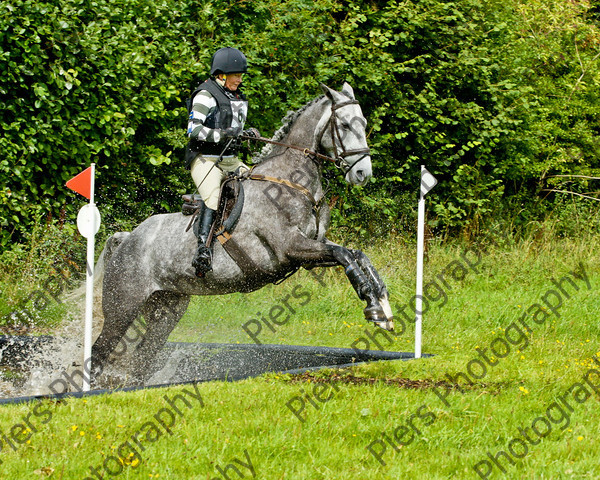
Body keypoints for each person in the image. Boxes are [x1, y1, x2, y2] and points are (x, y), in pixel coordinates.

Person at [185, 47, 259, 277]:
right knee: (213, 196)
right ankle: (203, 251)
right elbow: (193, 129)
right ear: (221, 74)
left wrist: (247, 133)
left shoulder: (236, 96)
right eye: (236, 74)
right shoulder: (205, 94)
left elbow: (233, 128)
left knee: (258, 182)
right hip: (205, 159)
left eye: (240, 75)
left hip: (230, 160)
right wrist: (221, 135)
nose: (239, 79)